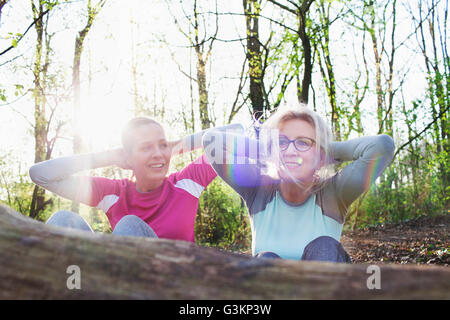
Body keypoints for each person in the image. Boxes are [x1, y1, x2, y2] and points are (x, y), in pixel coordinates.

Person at [202, 105, 395, 263]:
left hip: (326, 290)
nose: (291, 151)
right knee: (266, 259)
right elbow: (212, 142)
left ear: (321, 156)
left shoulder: (334, 194)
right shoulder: (258, 190)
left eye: (303, 143)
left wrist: (324, 151)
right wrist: (270, 149)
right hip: (270, 294)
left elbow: (382, 146)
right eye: (282, 142)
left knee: (324, 246)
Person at [29, 117, 242, 241]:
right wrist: (108, 157)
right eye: (146, 147)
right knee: (63, 221)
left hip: (176, 285)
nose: (158, 153)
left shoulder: (186, 182)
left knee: (128, 226)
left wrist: (177, 147)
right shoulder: (112, 193)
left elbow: (236, 133)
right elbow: (41, 174)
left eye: (162, 144)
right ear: (127, 157)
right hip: (124, 281)